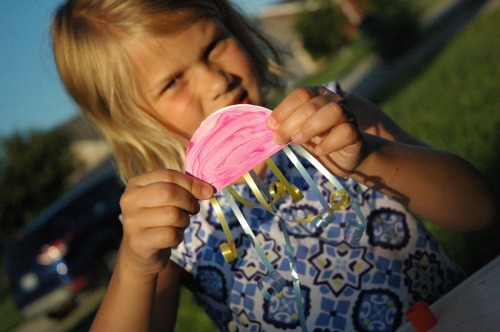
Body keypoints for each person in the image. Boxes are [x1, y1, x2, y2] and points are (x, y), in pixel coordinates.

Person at [51, 0, 498, 331]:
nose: (216, 81)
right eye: (172, 82)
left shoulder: (335, 117)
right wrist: (135, 265)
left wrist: (366, 155)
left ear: (236, 27)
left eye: (214, 44)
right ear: (130, 117)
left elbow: (479, 209)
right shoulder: (177, 226)